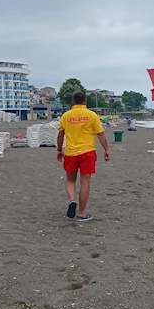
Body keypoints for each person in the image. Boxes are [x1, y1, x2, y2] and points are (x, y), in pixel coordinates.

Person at [56, 91, 111, 221]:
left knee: (70, 180)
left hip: (71, 152)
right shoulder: (91, 115)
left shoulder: (66, 116)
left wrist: (59, 150)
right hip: (87, 152)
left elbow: (60, 135)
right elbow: (100, 134)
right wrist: (106, 149)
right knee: (85, 182)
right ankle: (81, 213)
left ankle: (71, 200)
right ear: (85, 101)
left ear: (73, 102)